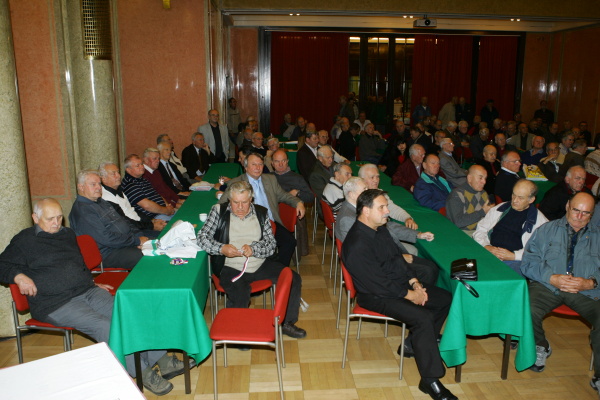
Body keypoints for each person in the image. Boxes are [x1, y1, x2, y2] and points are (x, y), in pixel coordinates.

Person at [0, 198, 191, 396]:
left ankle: (163, 361)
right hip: (55, 303)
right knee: (104, 326)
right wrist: (19, 276)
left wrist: (90, 281)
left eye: (59, 217)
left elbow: (76, 264)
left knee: (127, 314)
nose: (56, 223)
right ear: (35, 218)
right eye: (50, 219)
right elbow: (2, 265)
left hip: (86, 290)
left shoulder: (66, 234)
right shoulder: (24, 240)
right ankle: (144, 374)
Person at [342, 189, 455, 400]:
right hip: (375, 295)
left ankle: (414, 344)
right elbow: (377, 284)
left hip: (395, 285)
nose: (387, 212)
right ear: (366, 211)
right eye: (382, 207)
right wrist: (410, 295)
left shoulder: (379, 229)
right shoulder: (357, 243)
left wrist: (415, 282)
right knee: (423, 318)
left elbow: (398, 259)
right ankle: (429, 380)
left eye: (386, 206)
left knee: (444, 299)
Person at [197, 181, 306, 339]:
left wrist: (254, 249)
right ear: (230, 200)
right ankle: (237, 330)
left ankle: (287, 323)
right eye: (235, 202)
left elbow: (271, 245)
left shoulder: (261, 213)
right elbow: (202, 238)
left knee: (293, 278)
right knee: (241, 294)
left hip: (259, 264)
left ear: (251, 200)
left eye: (244, 202)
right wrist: (221, 248)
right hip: (230, 267)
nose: (240, 207)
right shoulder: (218, 211)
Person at [520, 192, 600, 394]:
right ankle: (541, 345)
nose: (579, 217)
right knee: (527, 307)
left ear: (592, 214)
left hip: (586, 291)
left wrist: (591, 282)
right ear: (567, 206)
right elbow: (528, 263)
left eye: (585, 213)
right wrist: (551, 277)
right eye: (576, 210)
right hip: (547, 286)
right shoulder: (546, 230)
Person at [217, 153, 305, 267]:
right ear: (246, 167)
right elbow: (221, 205)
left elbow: (284, 195)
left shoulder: (270, 179)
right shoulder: (236, 183)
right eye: (254, 164)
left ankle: (278, 270)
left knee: (290, 242)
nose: (258, 168)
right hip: (248, 226)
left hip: (271, 222)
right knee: (261, 249)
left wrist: (298, 202)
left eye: (260, 164)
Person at [69, 170, 146, 269]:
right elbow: (106, 238)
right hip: (107, 253)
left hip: (124, 243)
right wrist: (136, 241)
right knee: (148, 256)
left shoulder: (101, 201)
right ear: (81, 187)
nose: (98, 187)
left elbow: (125, 221)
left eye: (99, 184)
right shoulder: (83, 211)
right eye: (93, 184)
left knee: (157, 245)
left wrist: (139, 237)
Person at [473, 179, 548, 275]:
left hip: (514, 261)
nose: (515, 200)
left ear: (531, 200)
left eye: (520, 198)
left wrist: (514, 256)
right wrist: (486, 246)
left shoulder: (540, 222)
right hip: (488, 250)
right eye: (513, 195)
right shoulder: (500, 209)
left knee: (498, 275)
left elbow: (539, 251)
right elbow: (481, 229)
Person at [99, 162, 165, 235]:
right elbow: (125, 222)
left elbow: (133, 210)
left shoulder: (118, 189)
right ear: (104, 179)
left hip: (141, 225)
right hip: (133, 231)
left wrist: (151, 220)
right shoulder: (106, 198)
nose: (118, 176)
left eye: (118, 172)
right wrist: (152, 226)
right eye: (113, 173)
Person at [271, 149, 314, 257]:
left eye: (283, 161)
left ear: (287, 161)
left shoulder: (297, 178)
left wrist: (298, 192)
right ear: (272, 163)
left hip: (291, 215)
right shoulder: (268, 178)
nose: (281, 164)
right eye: (277, 161)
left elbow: (310, 197)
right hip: (272, 214)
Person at [121, 154, 175, 221]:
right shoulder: (129, 185)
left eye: (142, 164)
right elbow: (146, 206)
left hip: (163, 212)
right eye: (137, 166)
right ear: (128, 170)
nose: (142, 167)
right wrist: (166, 210)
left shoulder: (142, 179)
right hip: (154, 218)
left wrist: (167, 206)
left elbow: (156, 194)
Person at [446, 165, 492, 233]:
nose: (484, 182)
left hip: (482, 230)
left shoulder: (483, 193)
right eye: (480, 178)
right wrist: (482, 212)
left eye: (485, 178)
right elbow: (458, 222)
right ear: (469, 178)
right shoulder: (456, 195)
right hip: (463, 232)